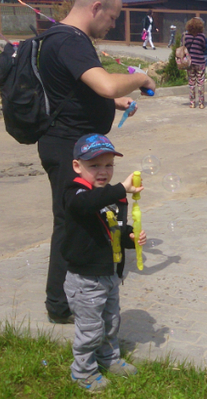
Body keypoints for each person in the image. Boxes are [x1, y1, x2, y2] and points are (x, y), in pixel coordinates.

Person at [37, 0, 156, 324]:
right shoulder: (70, 40)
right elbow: (103, 82)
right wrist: (141, 79)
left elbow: (72, 91)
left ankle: (72, 294)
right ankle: (61, 306)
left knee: (78, 218)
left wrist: (114, 101)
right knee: (69, 220)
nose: (114, 24)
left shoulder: (60, 38)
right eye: (113, 16)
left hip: (69, 141)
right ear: (96, 7)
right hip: (67, 146)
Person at [64, 133, 146, 393]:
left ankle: (109, 359)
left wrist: (131, 236)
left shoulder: (112, 196)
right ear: (78, 166)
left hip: (109, 274)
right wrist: (121, 188)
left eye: (108, 165)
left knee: (110, 322)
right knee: (90, 329)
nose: (103, 172)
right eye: (95, 166)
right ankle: (83, 372)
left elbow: (115, 228)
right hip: (85, 279)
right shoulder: (75, 192)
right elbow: (87, 205)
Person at [182, 17, 207, 109]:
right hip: (200, 61)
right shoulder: (202, 36)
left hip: (190, 62)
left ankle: (192, 103)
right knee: (200, 83)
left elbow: (185, 48)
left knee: (191, 83)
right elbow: (203, 48)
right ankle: (201, 103)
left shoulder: (186, 36)